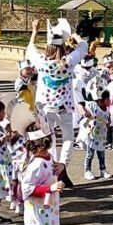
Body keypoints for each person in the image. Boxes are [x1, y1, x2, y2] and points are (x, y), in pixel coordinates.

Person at [26, 19, 88, 179]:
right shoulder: (68, 62)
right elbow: (83, 47)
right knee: (68, 137)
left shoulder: (41, 62)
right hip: (64, 107)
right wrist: (73, 33)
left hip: (44, 107)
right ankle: (62, 165)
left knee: (47, 137)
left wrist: (34, 30)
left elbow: (30, 49)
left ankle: (48, 165)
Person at [79, 90, 113, 180]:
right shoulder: (94, 106)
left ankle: (103, 170)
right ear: (100, 100)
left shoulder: (107, 110)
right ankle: (87, 170)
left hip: (101, 136)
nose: (109, 101)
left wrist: (108, 123)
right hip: (92, 135)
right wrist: (85, 112)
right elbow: (83, 104)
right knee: (90, 154)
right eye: (107, 99)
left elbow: (108, 120)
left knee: (101, 154)